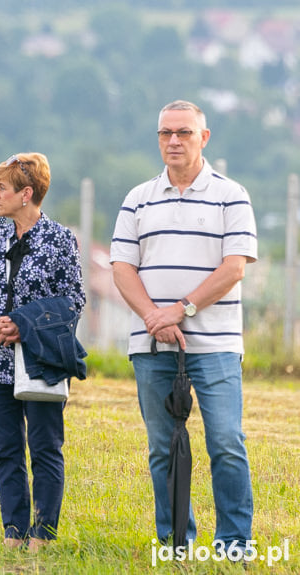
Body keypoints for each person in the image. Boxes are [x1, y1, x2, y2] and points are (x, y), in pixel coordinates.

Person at [110, 100, 256, 553]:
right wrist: (154, 318)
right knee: (162, 448)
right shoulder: (138, 197)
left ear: (204, 137)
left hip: (214, 345)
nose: (174, 141)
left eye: (184, 133)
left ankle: (233, 542)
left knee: (226, 441)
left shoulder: (232, 195)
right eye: (165, 133)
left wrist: (180, 310)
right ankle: (176, 541)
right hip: (152, 345)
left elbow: (234, 269)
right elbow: (121, 267)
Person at [0, 153, 85, 551]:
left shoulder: (61, 239)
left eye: (2, 188)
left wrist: (23, 323)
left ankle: (44, 533)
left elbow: (73, 299)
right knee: (6, 448)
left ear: (26, 194)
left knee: (45, 446)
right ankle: (13, 529)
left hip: (42, 361)